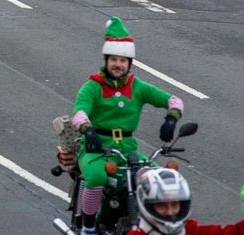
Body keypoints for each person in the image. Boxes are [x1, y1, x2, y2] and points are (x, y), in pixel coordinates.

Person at [72, 17, 185, 235]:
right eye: (113, 59)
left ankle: (150, 225)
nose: (118, 64)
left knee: (155, 177)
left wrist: (171, 117)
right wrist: (88, 130)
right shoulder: (92, 86)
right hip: (97, 148)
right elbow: (78, 112)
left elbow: (174, 100)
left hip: (128, 149)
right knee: (97, 176)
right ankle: (88, 226)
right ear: (106, 60)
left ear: (129, 64)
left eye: (123, 61)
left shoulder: (137, 86)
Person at [129, 171, 244, 235]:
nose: (170, 212)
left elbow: (231, 233)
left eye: (175, 204)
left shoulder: (191, 230)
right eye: (161, 205)